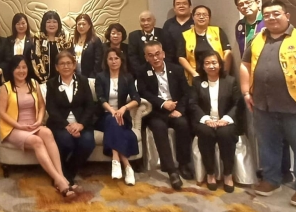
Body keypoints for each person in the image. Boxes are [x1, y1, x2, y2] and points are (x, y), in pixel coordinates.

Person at [240, 0, 296, 208]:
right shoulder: (257, 39)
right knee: (268, 146)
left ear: (287, 16)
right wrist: (246, 92)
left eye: (276, 13)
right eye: (267, 15)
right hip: (263, 106)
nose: (271, 18)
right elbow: (245, 64)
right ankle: (271, 180)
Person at [234, 0, 292, 184]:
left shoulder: (268, 22)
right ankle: (268, 170)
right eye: (241, 5)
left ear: (258, 2)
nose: (245, 6)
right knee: (263, 130)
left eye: (248, 2)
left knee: (280, 129)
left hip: (275, 81)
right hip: (254, 81)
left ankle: (285, 170)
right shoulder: (240, 26)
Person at [0, 55, 75, 199]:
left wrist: (39, 121)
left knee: (48, 133)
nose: (21, 71)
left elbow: (41, 106)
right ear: (12, 70)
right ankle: (59, 180)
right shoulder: (5, 88)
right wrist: (18, 125)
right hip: (13, 128)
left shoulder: (33, 84)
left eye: (24, 67)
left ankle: (61, 176)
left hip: (33, 124)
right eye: (17, 67)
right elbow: (1, 112)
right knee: (37, 141)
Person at [137, 40, 193, 190]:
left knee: (183, 124)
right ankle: (171, 171)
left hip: (175, 109)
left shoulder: (176, 69)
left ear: (163, 54)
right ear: (146, 57)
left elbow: (186, 92)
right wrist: (162, 103)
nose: (155, 58)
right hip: (156, 111)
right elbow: (143, 93)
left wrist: (179, 110)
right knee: (159, 128)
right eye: (150, 55)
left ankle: (183, 164)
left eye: (157, 54)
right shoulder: (142, 71)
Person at [189, 50, 240, 193]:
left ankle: (228, 175)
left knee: (225, 134)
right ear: (202, 66)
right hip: (205, 121)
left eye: (214, 62)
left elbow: (238, 104)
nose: (211, 66)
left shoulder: (230, 81)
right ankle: (210, 173)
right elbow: (193, 104)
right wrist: (205, 119)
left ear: (220, 64)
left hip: (225, 120)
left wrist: (226, 119)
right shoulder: (198, 82)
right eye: (207, 63)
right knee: (206, 133)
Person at [45, 51, 95, 188]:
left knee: (88, 142)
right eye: (62, 64)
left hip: (81, 123)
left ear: (74, 65)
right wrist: (67, 125)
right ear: (56, 67)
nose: (65, 66)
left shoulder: (83, 81)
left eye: (68, 63)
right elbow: (51, 108)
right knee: (66, 141)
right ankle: (61, 174)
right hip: (60, 124)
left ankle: (67, 173)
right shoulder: (51, 84)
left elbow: (90, 106)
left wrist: (81, 124)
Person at [95, 47, 140, 186]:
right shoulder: (100, 77)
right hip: (104, 116)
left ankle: (117, 162)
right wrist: (112, 111)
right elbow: (101, 99)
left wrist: (123, 108)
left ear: (121, 60)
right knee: (111, 119)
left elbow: (136, 99)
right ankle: (127, 166)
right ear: (106, 61)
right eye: (110, 59)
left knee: (115, 123)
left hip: (122, 117)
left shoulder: (127, 77)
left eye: (116, 58)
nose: (113, 61)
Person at [177, 5, 232, 83]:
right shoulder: (185, 35)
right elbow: (181, 57)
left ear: (209, 18)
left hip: (218, 74)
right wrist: (194, 74)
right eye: (198, 14)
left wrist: (224, 72)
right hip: (196, 76)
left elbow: (227, 52)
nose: (201, 17)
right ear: (193, 17)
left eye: (205, 15)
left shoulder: (217, 31)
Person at [128, 11, 174, 76]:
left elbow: (169, 53)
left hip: (163, 71)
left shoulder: (164, 33)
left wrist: (162, 68)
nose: (146, 23)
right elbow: (133, 56)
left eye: (149, 20)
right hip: (142, 72)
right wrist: (141, 71)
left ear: (154, 21)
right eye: (143, 20)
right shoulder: (134, 36)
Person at [32, 11, 74, 82]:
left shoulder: (66, 36)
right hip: (43, 78)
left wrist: (67, 74)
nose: (52, 25)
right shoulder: (38, 37)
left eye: (54, 22)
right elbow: (36, 58)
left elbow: (71, 56)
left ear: (59, 24)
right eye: (48, 22)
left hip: (64, 77)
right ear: (44, 24)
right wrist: (43, 77)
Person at [72, 14, 104, 78]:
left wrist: (93, 76)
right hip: (75, 75)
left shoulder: (95, 40)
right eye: (79, 24)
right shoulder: (73, 40)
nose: (81, 26)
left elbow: (98, 61)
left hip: (90, 76)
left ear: (89, 26)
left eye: (84, 24)